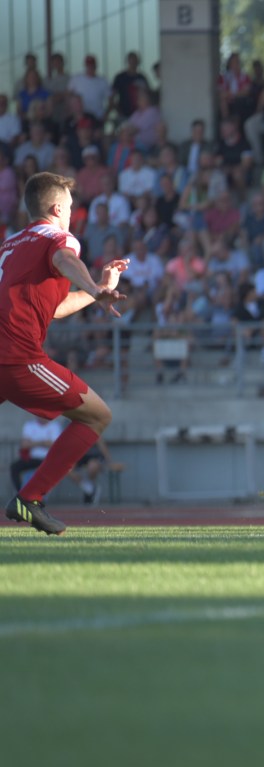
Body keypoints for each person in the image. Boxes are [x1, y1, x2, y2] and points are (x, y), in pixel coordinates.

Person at [1, 172, 127, 535]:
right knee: (96, 416)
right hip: (16, 357)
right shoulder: (58, 237)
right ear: (57, 208)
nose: (71, 214)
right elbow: (65, 258)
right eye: (70, 207)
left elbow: (54, 308)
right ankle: (30, 499)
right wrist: (94, 287)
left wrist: (96, 290)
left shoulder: (10, 245)